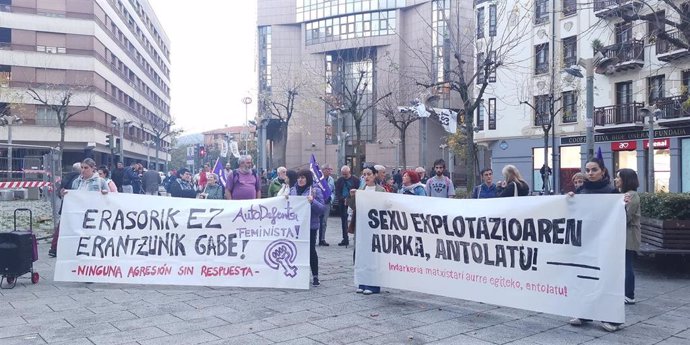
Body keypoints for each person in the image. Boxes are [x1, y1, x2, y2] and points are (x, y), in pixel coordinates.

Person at [567, 157, 621, 332]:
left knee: (607, 278)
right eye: (588, 170)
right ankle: (584, 313)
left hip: (606, 241)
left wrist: (623, 205)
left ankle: (611, 317)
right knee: (584, 277)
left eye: (594, 170)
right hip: (586, 240)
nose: (590, 173)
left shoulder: (612, 192)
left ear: (603, 171)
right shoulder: (581, 191)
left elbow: (619, 217)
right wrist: (569, 201)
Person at [348, 166, 386, 295]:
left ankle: (374, 285)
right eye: (364, 174)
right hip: (361, 226)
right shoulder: (360, 190)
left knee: (373, 256)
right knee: (361, 253)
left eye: (369, 174)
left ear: (375, 175)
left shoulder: (381, 190)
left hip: (374, 226)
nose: (366, 177)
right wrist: (352, 196)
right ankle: (362, 282)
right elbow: (353, 207)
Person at [289, 169, 325, 287]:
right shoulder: (293, 190)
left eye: (303, 177)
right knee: (296, 250)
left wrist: (312, 201)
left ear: (308, 179)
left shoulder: (314, 190)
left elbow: (321, 209)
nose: (300, 179)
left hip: (310, 226)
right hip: (295, 226)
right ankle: (298, 274)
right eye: (299, 177)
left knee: (310, 251)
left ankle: (315, 276)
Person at [615, 168, 641, 306]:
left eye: (618, 177)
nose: (616, 180)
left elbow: (626, 216)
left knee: (627, 264)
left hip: (629, 235)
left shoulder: (631, 195)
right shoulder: (624, 194)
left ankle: (629, 295)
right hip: (624, 234)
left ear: (626, 180)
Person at [49, 162, 82, 258]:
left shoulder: (66, 177)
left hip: (66, 207)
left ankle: (54, 248)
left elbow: (60, 191)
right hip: (75, 207)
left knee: (61, 227)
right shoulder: (77, 180)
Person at [335, 165, 360, 247]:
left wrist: (350, 199)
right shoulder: (339, 180)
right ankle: (345, 238)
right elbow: (337, 191)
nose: (344, 176)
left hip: (353, 202)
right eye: (343, 174)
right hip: (342, 202)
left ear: (349, 172)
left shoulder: (355, 180)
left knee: (354, 220)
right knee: (344, 221)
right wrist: (342, 199)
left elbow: (358, 190)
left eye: (346, 174)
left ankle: (355, 237)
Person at [318, 164, 335, 246]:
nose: (329, 171)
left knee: (324, 222)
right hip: (318, 202)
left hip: (327, 203)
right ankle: (314, 238)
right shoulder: (318, 179)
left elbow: (333, 191)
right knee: (316, 221)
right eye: (328, 169)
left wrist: (331, 198)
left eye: (330, 169)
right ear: (323, 170)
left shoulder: (331, 179)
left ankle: (322, 239)